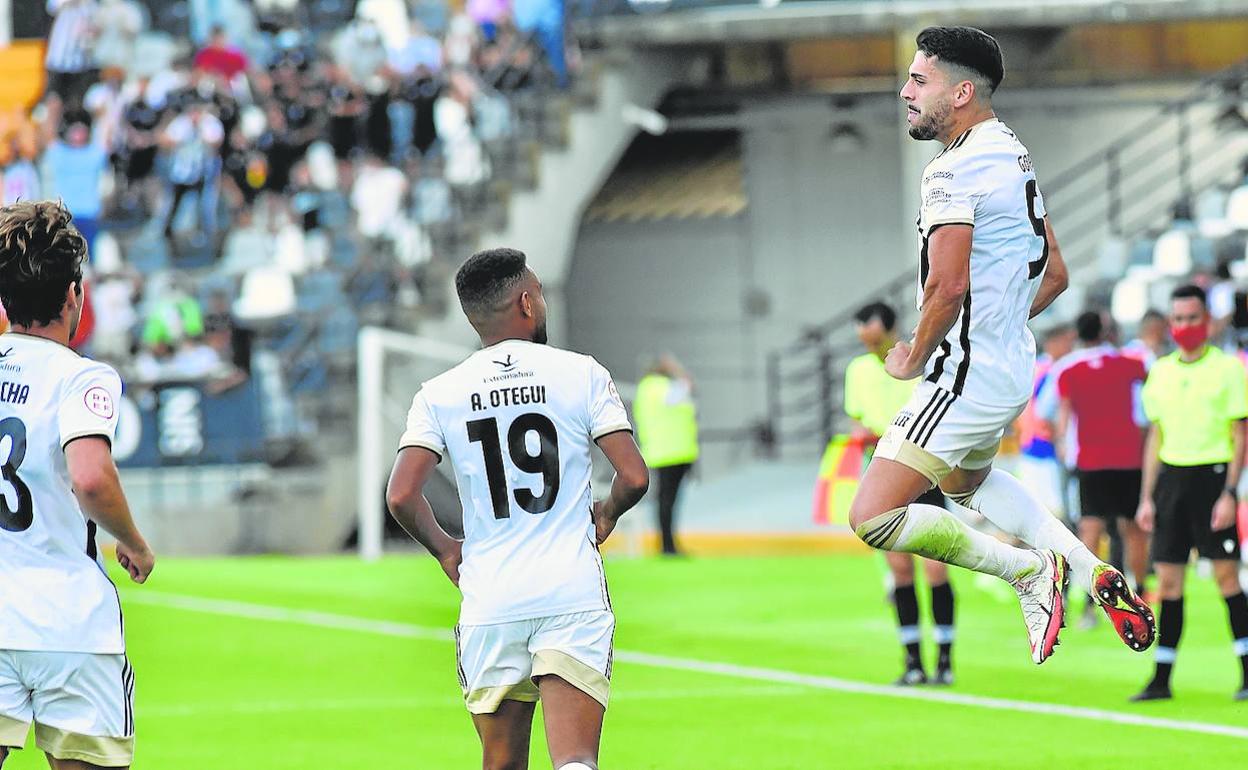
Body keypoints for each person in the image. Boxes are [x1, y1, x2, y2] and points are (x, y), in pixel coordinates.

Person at [847, 26, 1155, 666]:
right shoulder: (1013, 154)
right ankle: (1084, 564)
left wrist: (913, 354)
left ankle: (1026, 572)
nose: (905, 91)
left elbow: (947, 284)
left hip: (963, 376)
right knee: (966, 484)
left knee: (873, 516)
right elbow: (1057, 274)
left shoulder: (952, 171)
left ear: (961, 92)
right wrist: (1004, 323)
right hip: (1009, 367)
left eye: (919, 80)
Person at [386, 247, 649, 770]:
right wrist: (609, 512)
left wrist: (444, 549)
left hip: (491, 597)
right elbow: (634, 476)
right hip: (568, 590)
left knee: (502, 763)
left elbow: (400, 495)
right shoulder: (581, 373)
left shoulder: (439, 393)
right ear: (527, 302)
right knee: (575, 760)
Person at [0, 200, 155, 769]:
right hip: (69, 622)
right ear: (74, 295)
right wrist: (134, 542)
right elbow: (90, 477)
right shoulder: (82, 377)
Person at [1133, 284, 1248, 702]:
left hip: (1212, 478)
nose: (1184, 326)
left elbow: (1240, 434)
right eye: (1178, 319)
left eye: (1191, 319)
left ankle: (1247, 672)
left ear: (1207, 321)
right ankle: (1162, 678)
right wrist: (1147, 497)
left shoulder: (1229, 368)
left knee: (1224, 576)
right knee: (1167, 581)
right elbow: (1154, 437)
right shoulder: (1161, 371)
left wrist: (1230, 491)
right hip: (1171, 482)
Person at [846, 302, 956, 686]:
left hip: (923, 470)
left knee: (936, 566)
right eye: (864, 337)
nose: (868, 344)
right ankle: (912, 661)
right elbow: (858, 418)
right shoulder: (857, 370)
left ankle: (945, 659)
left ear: (889, 330)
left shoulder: (918, 359)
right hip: (880, 474)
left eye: (873, 336)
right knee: (899, 569)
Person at [1052, 311, 1151, 631]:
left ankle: (1091, 605)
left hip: (1091, 461)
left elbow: (1061, 416)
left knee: (1089, 531)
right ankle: (1142, 595)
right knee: (1131, 529)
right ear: (1107, 331)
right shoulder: (1132, 363)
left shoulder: (1068, 368)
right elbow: (1146, 408)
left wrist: (1064, 452)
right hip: (1128, 457)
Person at [633, 354, 699, 556]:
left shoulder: (645, 389)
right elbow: (687, 386)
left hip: (660, 451)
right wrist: (678, 371)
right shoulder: (662, 387)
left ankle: (667, 543)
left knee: (665, 499)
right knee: (668, 500)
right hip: (673, 452)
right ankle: (668, 545)